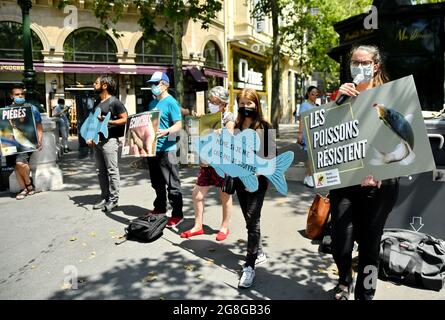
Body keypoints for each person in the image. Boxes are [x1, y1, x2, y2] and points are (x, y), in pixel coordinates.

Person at [330, 45, 398, 300]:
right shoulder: (341, 96)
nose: (359, 66)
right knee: (340, 240)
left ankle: (364, 295)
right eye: (354, 62)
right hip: (346, 181)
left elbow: (398, 138)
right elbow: (326, 136)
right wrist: (336, 103)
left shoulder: (390, 96)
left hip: (378, 184)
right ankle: (344, 279)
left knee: (370, 244)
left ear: (376, 65)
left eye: (364, 62)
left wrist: (378, 169)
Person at [180, 86, 235, 241]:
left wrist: (217, 132)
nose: (211, 104)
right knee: (197, 195)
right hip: (206, 163)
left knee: (225, 195)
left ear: (223, 104)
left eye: (215, 102)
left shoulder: (228, 117)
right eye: (210, 101)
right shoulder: (208, 116)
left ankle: (224, 227)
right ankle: (198, 226)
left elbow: (230, 135)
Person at [234, 88, 273, 289]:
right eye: (242, 103)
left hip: (257, 181)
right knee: (249, 220)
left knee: (253, 222)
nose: (246, 106)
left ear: (256, 104)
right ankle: (258, 252)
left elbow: (269, 159)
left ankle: (249, 266)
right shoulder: (235, 126)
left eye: (249, 103)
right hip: (239, 181)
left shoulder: (265, 127)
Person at [145, 72, 184, 229]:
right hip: (152, 148)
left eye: (157, 83)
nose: (154, 86)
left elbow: (179, 124)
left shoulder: (171, 102)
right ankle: (160, 208)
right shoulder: (151, 104)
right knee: (156, 182)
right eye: (152, 83)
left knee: (172, 183)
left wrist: (167, 131)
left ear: (165, 84)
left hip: (168, 148)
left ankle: (177, 215)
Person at [89, 75, 128, 212]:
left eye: (96, 82)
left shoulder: (114, 102)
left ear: (105, 85)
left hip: (110, 141)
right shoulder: (97, 102)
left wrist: (109, 121)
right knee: (101, 171)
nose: (94, 84)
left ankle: (113, 200)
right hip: (98, 141)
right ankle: (104, 197)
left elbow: (125, 119)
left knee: (112, 171)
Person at [4, 85, 43, 200]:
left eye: (22, 94)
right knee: (16, 166)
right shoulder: (6, 110)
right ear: (11, 96)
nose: (20, 96)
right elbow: (4, 128)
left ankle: (29, 183)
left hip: (27, 142)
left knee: (20, 162)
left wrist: (40, 140)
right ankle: (24, 189)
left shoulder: (32, 108)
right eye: (17, 94)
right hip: (10, 142)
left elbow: (39, 126)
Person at [297, 86, 320, 188]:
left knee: (311, 157)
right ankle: (310, 178)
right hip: (307, 133)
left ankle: (307, 177)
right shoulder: (305, 105)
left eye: (316, 94)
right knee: (312, 157)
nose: (314, 96)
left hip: (315, 133)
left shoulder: (315, 105)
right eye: (312, 94)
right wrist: (300, 134)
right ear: (308, 93)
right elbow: (301, 120)